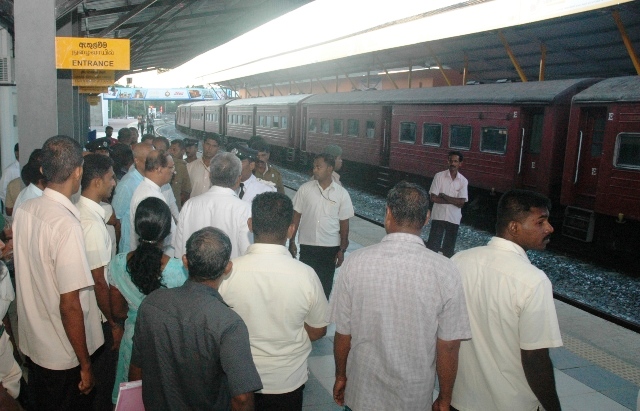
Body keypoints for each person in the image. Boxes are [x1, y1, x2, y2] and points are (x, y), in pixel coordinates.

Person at [327, 181, 471, 411]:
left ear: (388, 213)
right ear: (426, 218)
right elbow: (449, 346)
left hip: (362, 391)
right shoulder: (445, 270)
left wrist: (341, 376)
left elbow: (343, 333)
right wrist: (444, 398)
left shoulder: (355, 262)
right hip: (412, 397)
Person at [450, 189, 562, 411]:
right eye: (541, 222)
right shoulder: (534, 281)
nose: (550, 228)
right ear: (514, 227)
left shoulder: (458, 261)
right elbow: (535, 359)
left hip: (461, 400)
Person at [14, 135, 104, 410]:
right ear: (78, 172)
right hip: (63, 353)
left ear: (43, 169)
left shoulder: (26, 209)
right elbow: (70, 305)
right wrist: (85, 364)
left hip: (35, 343)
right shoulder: (66, 224)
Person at [129, 227, 262, 410]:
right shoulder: (229, 324)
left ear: (185, 261)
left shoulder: (152, 303)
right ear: (227, 268)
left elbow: (137, 369)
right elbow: (242, 399)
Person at [219, 192, 328, 410]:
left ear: (250, 225)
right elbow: (318, 330)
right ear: (290, 230)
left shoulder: (227, 272)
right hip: (287, 382)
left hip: (238, 380)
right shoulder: (306, 275)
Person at [108, 197, 188, 405]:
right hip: (165, 344)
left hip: (132, 339)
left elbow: (117, 311)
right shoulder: (179, 271)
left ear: (137, 228)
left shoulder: (117, 264)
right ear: (167, 231)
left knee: (133, 399)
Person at [76, 154, 119, 411]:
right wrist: (113, 322)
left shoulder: (84, 211)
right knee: (103, 379)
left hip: (93, 310)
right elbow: (99, 281)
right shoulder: (92, 224)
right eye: (111, 177)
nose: (114, 183)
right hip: (98, 314)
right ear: (96, 181)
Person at [289, 153, 354, 299]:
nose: (315, 170)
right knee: (306, 284)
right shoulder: (305, 189)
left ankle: (321, 317)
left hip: (330, 247)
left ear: (330, 169)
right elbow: (296, 216)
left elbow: (344, 223)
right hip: (307, 244)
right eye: (314, 167)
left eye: (319, 167)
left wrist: (342, 250)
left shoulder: (341, 194)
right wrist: (292, 241)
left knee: (325, 285)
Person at [174, 152, 251, 259]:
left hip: (193, 273)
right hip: (230, 274)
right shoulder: (245, 209)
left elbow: (179, 252)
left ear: (210, 175)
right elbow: (247, 252)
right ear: (238, 179)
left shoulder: (189, 205)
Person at [129, 150, 176, 254]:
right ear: (159, 169)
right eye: (171, 167)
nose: (174, 171)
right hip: (154, 257)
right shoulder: (151, 197)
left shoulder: (149, 190)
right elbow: (163, 233)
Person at [425, 150, 468, 258]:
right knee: (432, 247)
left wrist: (444, 196)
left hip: (453, 218)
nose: (452, 164)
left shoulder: (463, 181)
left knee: (448, 251)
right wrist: (454, 201)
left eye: (455, 161)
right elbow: (433, 198)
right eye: (451, 161)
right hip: (439, 216)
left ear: (460, 164)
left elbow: (462, 203)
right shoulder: (438, 176)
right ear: (447, 161)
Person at [112, 143, 152, 253]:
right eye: (148, 160)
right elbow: (116, 219)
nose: (154, 164)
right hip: (130, 250)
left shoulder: (149, 180)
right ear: (137, 161)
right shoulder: (128, 184)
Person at [168, 139, 192, 209]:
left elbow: (186, 190)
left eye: (174, 150)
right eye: (170, 149)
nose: (171, 152)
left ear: (183, 151)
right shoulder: (181, 165)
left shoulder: (182, 166)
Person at [0, 144, 20, 208]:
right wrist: (10, 206)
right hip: (12, 208)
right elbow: (3, 191)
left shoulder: (27, 167)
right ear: (16, 153)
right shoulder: (9, 170)